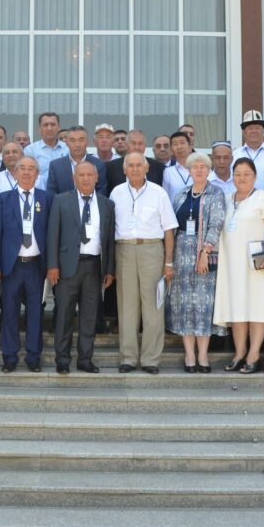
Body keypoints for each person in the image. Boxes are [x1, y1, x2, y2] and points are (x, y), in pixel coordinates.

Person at [214, 158, 264, 374]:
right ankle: (239, 352)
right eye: (237, 174)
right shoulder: (227, 199)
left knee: (257, 307)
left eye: (246, 174)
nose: (241, 178)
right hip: (232, 265)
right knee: (237, 308)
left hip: (258, 264)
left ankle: (254, 354)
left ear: (255, 176)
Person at [111, 153, 177, 374]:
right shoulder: (117, 192)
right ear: (124, 169)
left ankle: (151, 359)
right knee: (127, 306)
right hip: (124, 250)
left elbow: (169, 230)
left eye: (139, 165)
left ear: (147, 167)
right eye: (131, 165)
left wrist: (169, 262)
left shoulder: (159, 193)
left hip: (152, 249)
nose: (135, 169)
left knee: (153, 306)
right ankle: (128, 358)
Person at [46, 162, 115, 374]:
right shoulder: (60, 201)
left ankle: (85, 359)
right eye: (81, 175)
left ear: (96, 178)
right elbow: (52, 235)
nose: (85, 178)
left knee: (89, 316)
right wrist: (52, 265)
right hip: (67, 267)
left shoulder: (106, 204)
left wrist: (109, 270)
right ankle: (62, 360)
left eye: (89, 175)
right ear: (74, 178)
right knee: (64, 315)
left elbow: (109, 240)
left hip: (94, 266)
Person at [0, 157, 52, 372]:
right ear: (15, 173)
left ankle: (33, 357)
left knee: (36, 313)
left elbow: (52, 235)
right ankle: (10, 357)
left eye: (31, 169)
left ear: (37, 174)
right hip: (11, 267)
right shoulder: (3, 199)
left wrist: (51, 265)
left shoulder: (47, 199)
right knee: (9, 313)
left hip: (36, 267)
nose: (26, 172)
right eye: (22, 168)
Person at [166, 152, 225, 373]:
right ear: (189, 171)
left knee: (203, 303)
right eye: (195, 167)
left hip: (205, 253)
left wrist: (204, 252)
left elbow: (216, 224)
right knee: (184, 304)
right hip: (181, 252)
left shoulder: (216, 192)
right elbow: (172, 225)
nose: (199, 170)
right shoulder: (181, 194)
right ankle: (189, 354)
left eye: (203, 167)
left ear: (209, 171)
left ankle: (203, 355)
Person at [46, 125, 107, 195]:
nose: (77, 145)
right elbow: (52, 194)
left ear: (87, 142)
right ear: (66, 143)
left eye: (81, 140)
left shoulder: (99, 164)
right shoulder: (55, 166)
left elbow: (101, 193)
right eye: (72, 140)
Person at [106, 130, 164, 194]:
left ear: (145, 146)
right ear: (126, 145)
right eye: (133, 143)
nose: (137, 147)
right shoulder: (110, 167)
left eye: (140, 143)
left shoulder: (159, 167)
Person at [25, 112, 68, 183]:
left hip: (63, 188)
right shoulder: (30, 150)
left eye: (53, 125)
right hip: (39, 189)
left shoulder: (68, 149)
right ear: (39, 128)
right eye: (45, 125)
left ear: (59, 128)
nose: (49, 128)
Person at [233, 110, 264, 188]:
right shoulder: (235, 154)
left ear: (263, 131)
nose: (254, 131)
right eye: (250, 128)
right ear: (244, 132)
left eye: (257, 128)